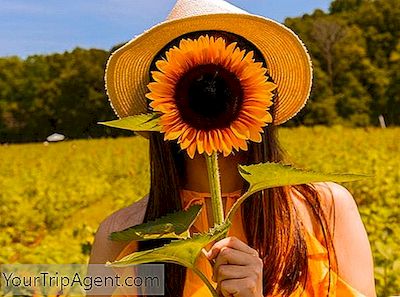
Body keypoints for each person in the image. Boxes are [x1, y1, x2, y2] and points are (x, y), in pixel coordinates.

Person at [89, 0, 376, 296]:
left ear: (260, 94)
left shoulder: (325, 209)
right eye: (196, 78)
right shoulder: (120, 236)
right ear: (160, 103)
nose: (210, 90)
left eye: (225, 74)